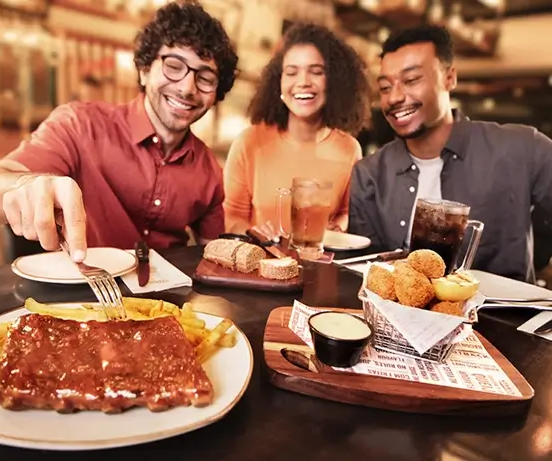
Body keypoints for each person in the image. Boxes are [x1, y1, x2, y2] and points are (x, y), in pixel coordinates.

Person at [0, 1, 238, 263]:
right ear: (144, 70)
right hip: (79, 295)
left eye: (205, 78)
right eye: (173, 66)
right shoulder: (80, 124)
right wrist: (25, 187)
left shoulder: (210, 173)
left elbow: (211, 258)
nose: (187, 88)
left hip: (165, 301)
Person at [349, 25, 552, 281]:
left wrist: (533, 259)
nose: (395, 97)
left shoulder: (521, 147)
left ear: (449, 78)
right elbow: (368, 267)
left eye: (411, 80)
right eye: (386, 87)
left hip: (498, 317)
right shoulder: (369, 173)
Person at [223, 22, 370, 235]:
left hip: (319, 264)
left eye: (316, 72)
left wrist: (337, 227)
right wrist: (256, 236)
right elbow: (232, 218)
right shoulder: (250, 142)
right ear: (279, 83)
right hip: (262, 263)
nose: (303, 82)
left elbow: (345, 213)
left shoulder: (350, 149)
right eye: (291, 72)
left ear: (334, 81)